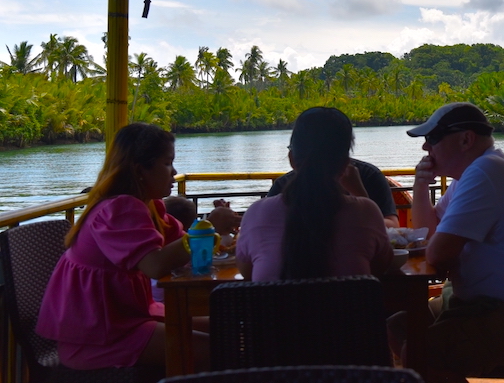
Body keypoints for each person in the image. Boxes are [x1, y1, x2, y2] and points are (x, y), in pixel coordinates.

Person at [399, 102, 504, 379]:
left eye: (432, 139)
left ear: (466, 139)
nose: (425, 148)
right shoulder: (473, 174)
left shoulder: (485, 173)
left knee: (418, 350)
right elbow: (428, 236)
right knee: (398, 327)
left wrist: (434, 247)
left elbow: (437, 255)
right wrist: (420, 185)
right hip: (491, 306)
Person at [36, 123, 209, 371]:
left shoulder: (149, 206)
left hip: (126, 320)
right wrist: (207, 230)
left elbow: (178, 245)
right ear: (140, 170)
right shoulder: (119, 209)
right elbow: (155, 264)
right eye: (167, 163)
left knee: (225, 324)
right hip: (99, 337)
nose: (174, 172)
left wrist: (213, 235)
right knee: (219, 346)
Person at [235, 107, 392, 281]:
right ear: (344, 165)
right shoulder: (366, 212)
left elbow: (247, 273)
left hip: (278, 309)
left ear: (292, 159)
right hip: (346, 309)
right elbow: (379, 268)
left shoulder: (256, 214)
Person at [267, 157, 399, 227]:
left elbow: (393, 226)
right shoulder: (282, 185)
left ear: (292, 159)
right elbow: (382, 256)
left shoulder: (369, 176)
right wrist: (361, 199)